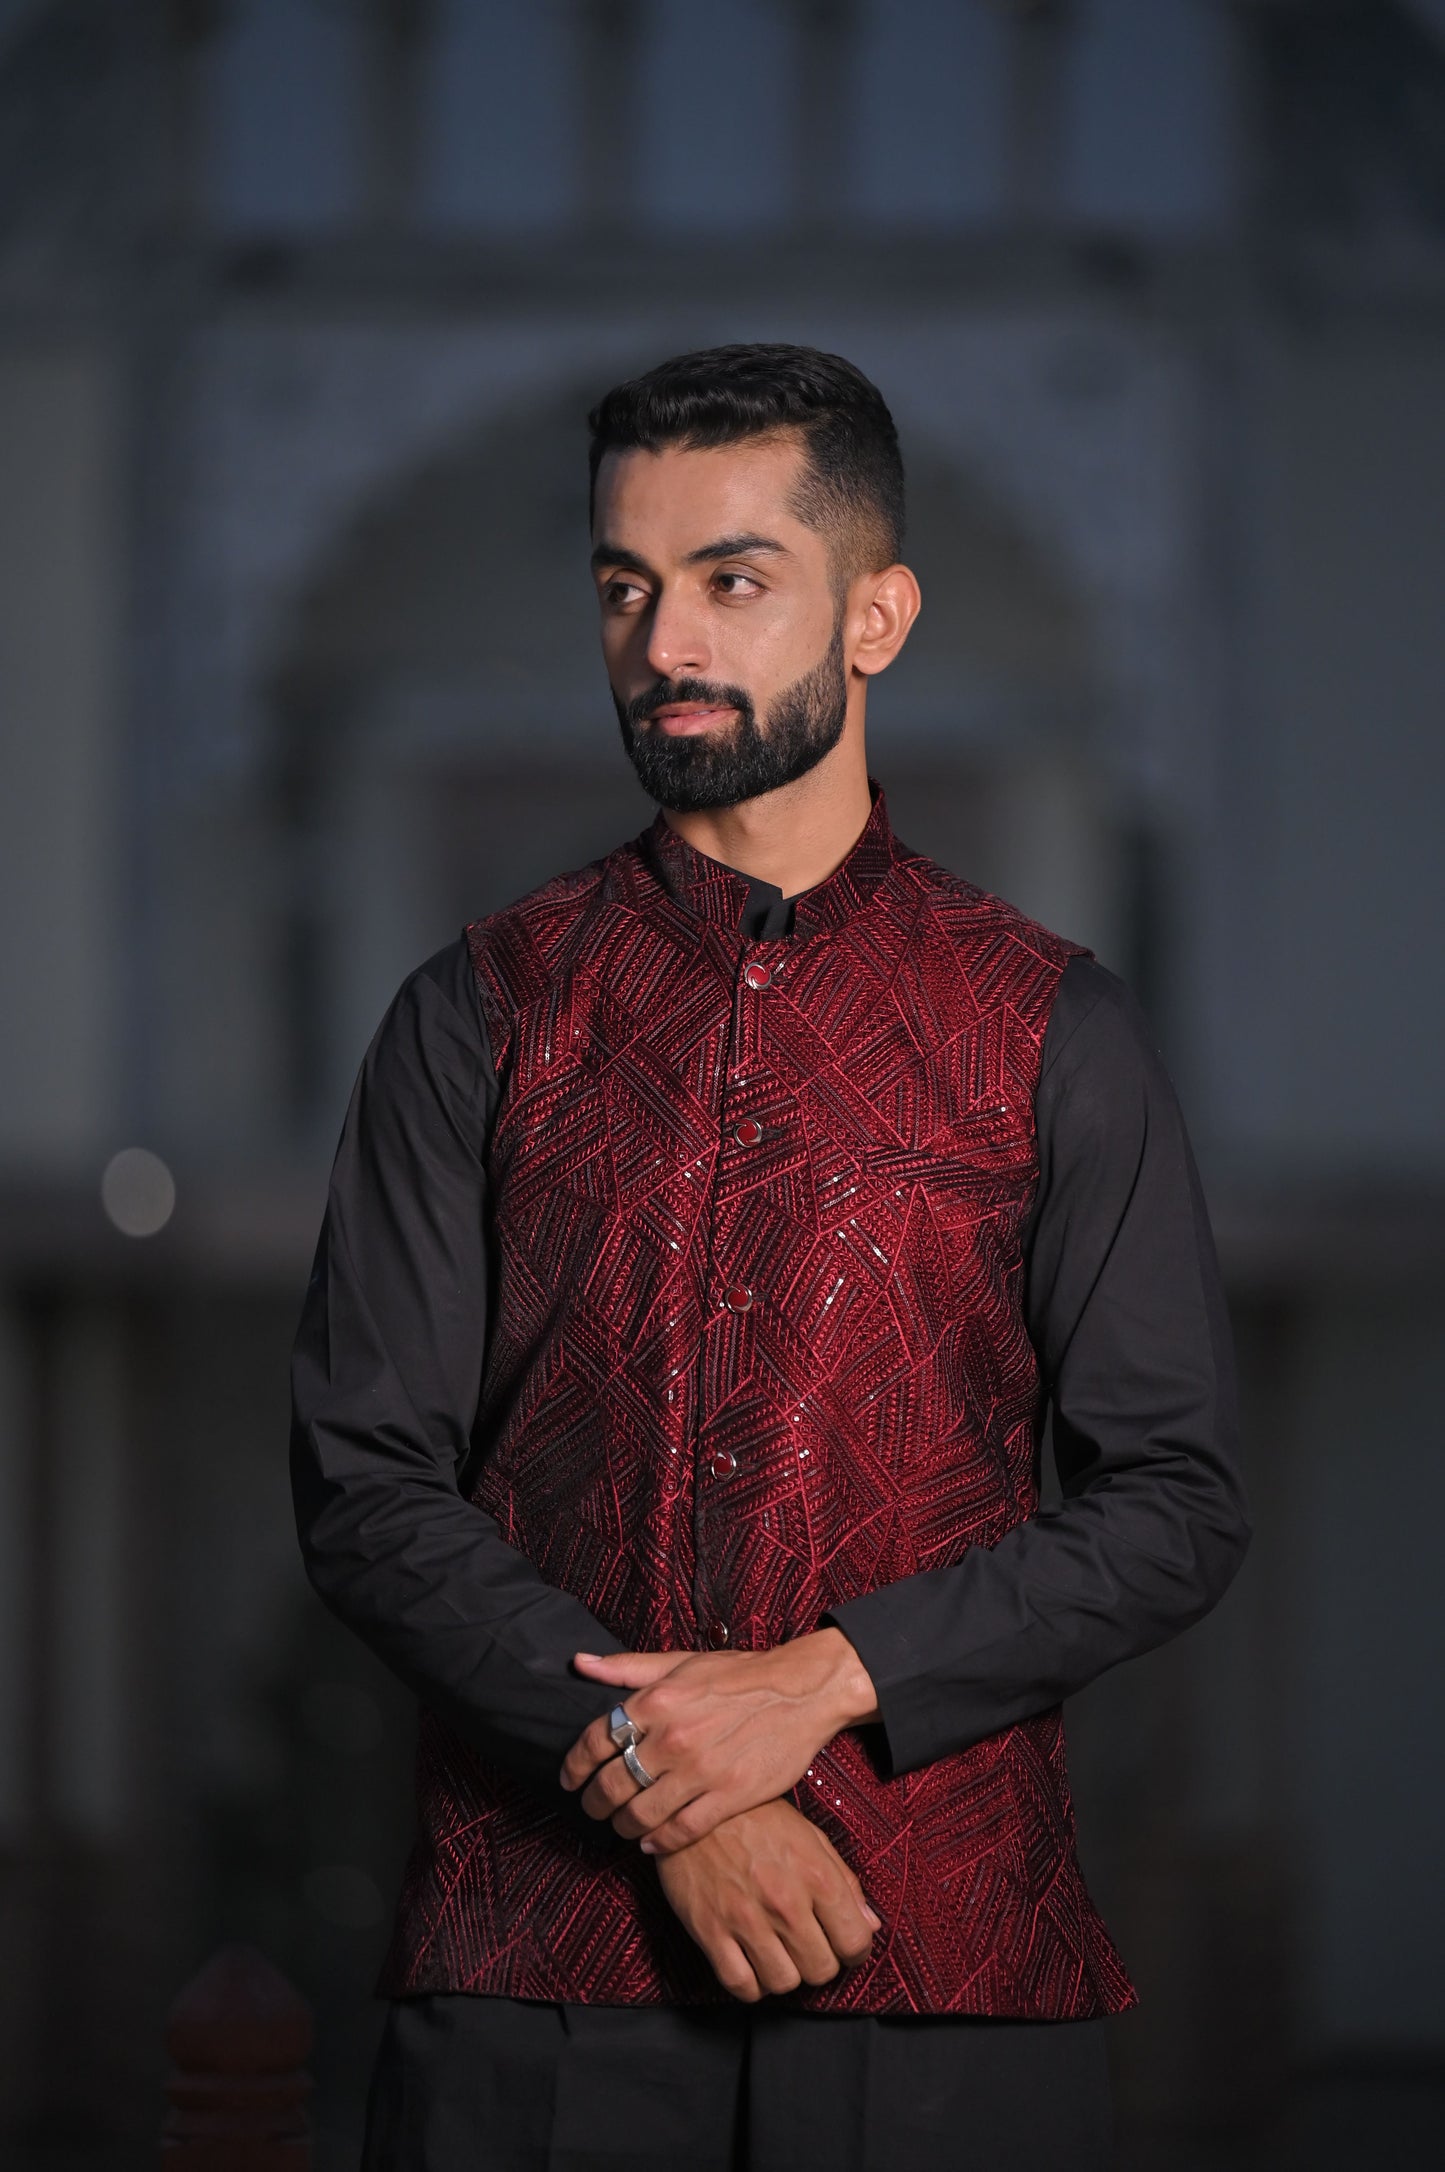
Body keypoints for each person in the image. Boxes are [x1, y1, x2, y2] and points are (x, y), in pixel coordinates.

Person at [291, 343, 1249, 2171]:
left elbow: (1172, 1505)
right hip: (530, 1976)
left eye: (732, 582)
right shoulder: (475, 1012)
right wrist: (679, 1795)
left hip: (946, 1975)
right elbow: (363, 1485)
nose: (664, 643)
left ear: (873, 615)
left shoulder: (1049, 1026)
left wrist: (819, 1682)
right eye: (623, 586)